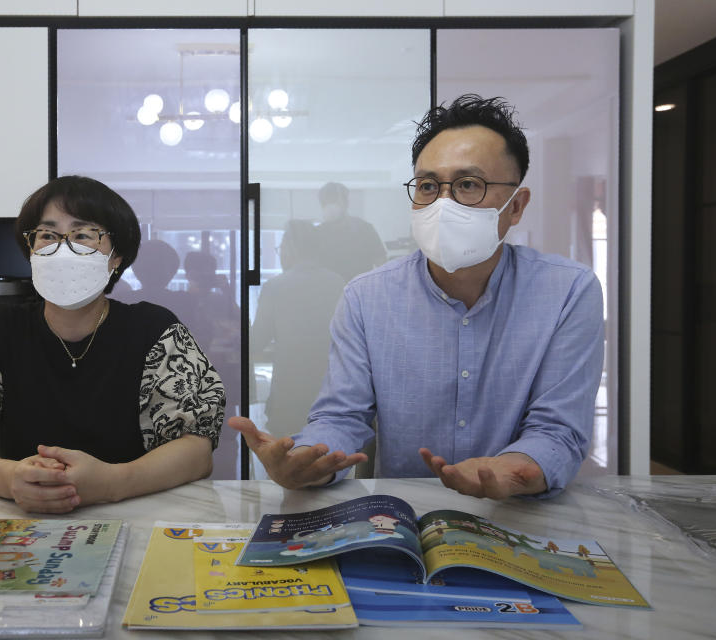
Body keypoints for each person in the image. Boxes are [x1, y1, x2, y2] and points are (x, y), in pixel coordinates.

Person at [231, 94, 604, 500]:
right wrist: (308, 458)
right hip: (404, 521)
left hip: (517, 515)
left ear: (516, 206)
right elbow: (342, 416)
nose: (442, 203)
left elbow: (558, 429)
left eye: (467, 184)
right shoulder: (366, 297)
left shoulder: (568, 291)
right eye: (428, 185)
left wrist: (520, 467)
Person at [0, 176, 225, 513]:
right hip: (23, 518)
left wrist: (114, 482)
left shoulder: (156, 331)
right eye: (48, 235)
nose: (63, 247)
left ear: (116, 256)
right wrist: (10, 477)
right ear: (31, 250)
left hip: (137, 512)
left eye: (83, 235)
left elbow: (196, 450)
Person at [251, 220, 345, 440]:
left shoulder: (275, 286)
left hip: (289, 393)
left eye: (280, 248)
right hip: (329, 391)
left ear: (290, 247)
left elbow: (256, 341)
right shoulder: (338, 282)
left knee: (288, 458)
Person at [314, 181, 387, 282]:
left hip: (360, 291)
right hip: (329, 293)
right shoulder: (316, 234)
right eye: (325, 203)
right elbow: (310, 268)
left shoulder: (364, 229)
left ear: (346, 203)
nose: (330, 207)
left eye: (333, 201)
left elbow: (381, 263)